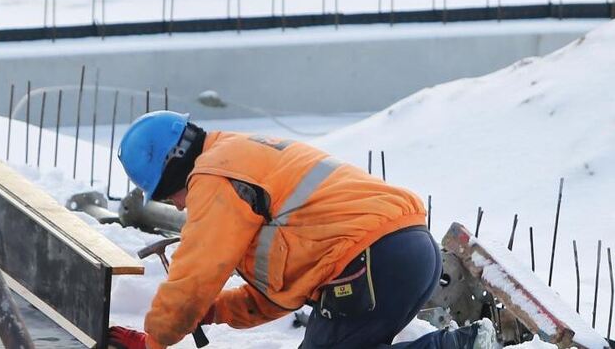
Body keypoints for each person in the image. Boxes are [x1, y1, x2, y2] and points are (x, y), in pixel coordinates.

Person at [109, 111, 495, 349]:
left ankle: (460, 345)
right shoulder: (237, 156)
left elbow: (194, 274)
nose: (178, 206)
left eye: (167, 195)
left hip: (370, 260)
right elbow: (279, 295)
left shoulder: (212, 176)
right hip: (403, 252)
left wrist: (155, 340)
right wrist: (210, 313)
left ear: (172, 170)